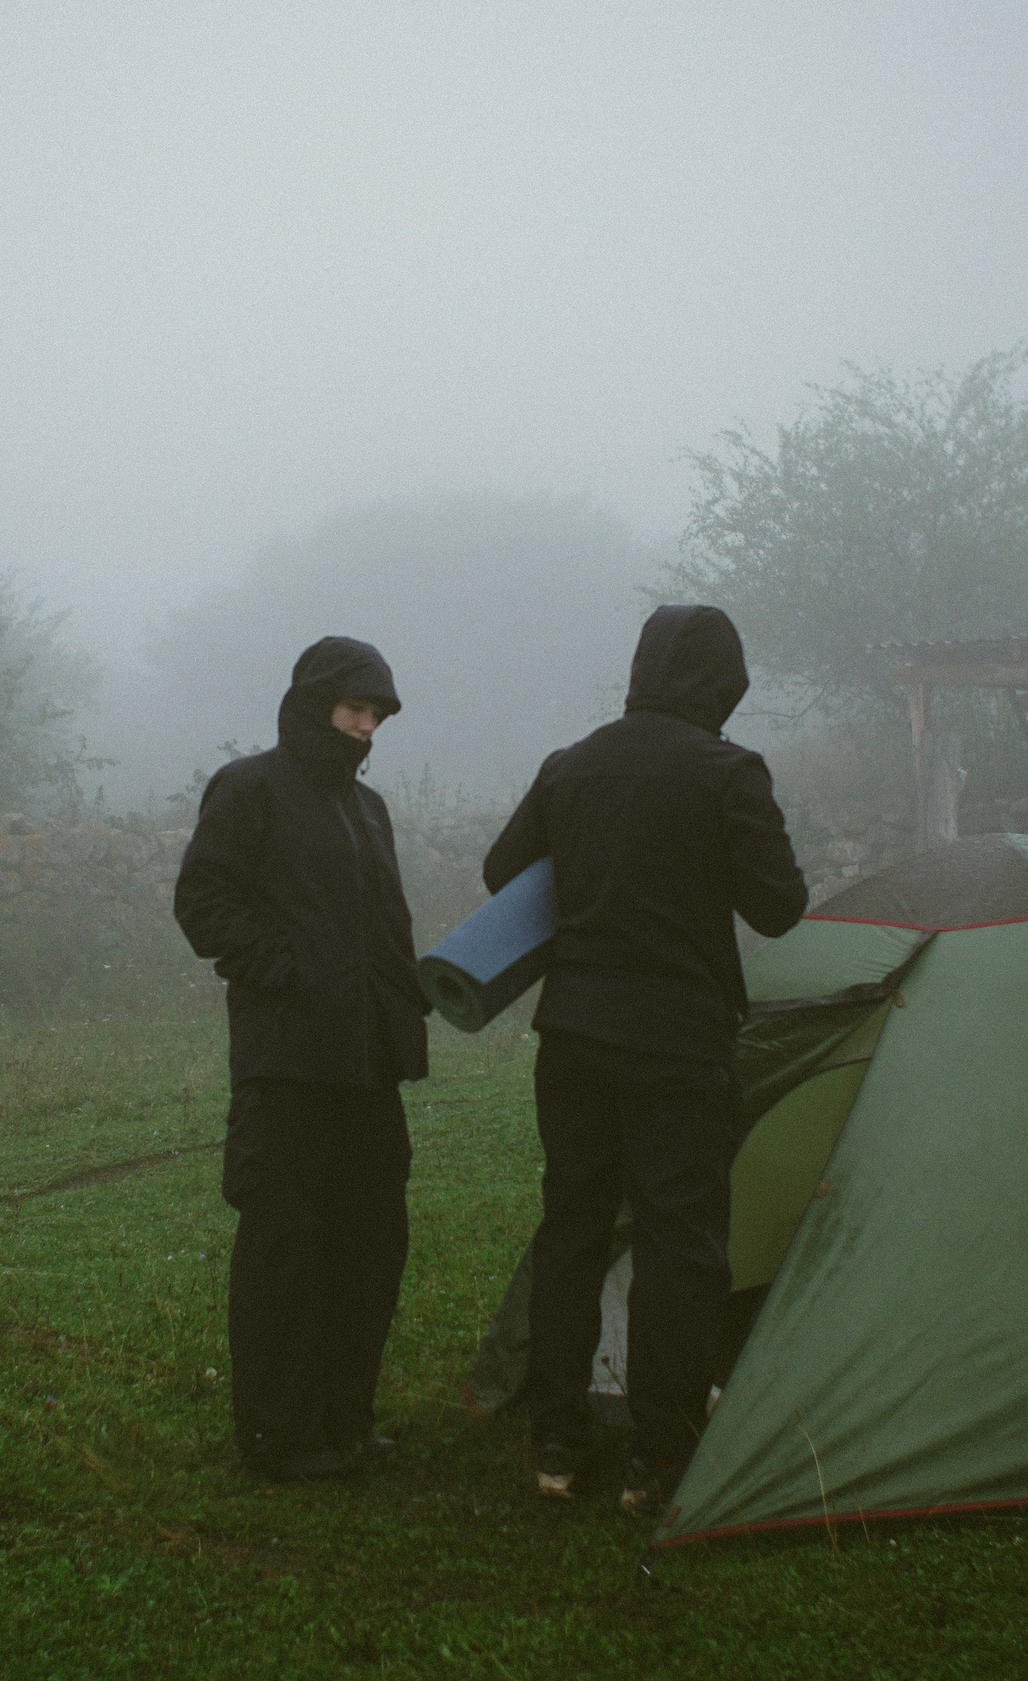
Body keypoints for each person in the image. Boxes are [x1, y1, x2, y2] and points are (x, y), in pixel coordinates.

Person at [482, 605, 807, 1515]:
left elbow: (503, 872)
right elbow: (780, 906)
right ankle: (660, 1454)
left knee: (573, 1228)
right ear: (724, 682)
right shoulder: (729, 772)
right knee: (678, 1244)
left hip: (574, 1038)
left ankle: (556, 1441)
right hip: (678, 1044)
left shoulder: (570, 764)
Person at [173, 636, 428, 1482]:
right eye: (355, 709)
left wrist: (409, 997)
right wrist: (286, 971)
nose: (365, 728)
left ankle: (345, 1419)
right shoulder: (249, 788)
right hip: (285, 1065)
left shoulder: (370, 809)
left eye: (376, 715)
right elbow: (203, 900)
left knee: (370, 1244)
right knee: (284, 1250)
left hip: (367, 1068)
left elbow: (382, 926)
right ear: (316, 703)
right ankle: (279, 1438)